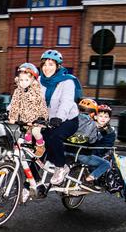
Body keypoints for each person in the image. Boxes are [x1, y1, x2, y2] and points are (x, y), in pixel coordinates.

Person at [39, 49, 82, 185]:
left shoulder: (67, 81)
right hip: (48, 119)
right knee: (37, 139)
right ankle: (31, 183)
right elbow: (31, 99)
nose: (47, 68)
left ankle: (61, 166)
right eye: (44, 64)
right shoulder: (40, 80)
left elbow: (66, 102)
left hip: (68, 119)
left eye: (51, 64)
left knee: (55, 136)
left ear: (58, 66)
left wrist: (58, 118)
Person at [8, 62, 48, 157]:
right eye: (21, 80)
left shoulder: (36, 91)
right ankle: (28, 148)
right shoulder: (18, 91)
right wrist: (12, 117)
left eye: (26, 80)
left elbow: (41, 105)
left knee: (35, 131)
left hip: (37, 118)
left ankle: (40, 145)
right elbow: (15, 104)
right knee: (26, 134)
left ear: (32, 79)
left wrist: (41, 119)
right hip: (25, 118)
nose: (23, 82)